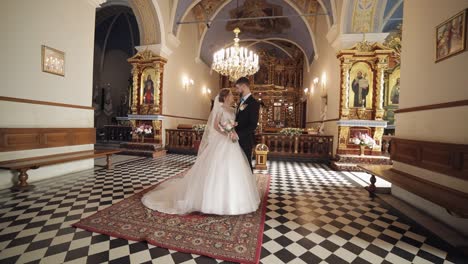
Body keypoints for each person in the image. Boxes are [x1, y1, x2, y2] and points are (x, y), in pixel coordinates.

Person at [141, 88, 260, 215]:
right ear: (225, 97)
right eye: (230, 95)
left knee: (234, 168)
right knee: (216, 167)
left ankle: (235, 201)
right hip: (223, 140)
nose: (233, 97)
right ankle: (210, 202)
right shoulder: (219, 109)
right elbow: (215, 126)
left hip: (232, 143)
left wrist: (232, 128)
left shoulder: (232, 109)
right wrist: (226, 133)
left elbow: (234, 123)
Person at [234, 77, 261, 172]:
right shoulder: (241, 101)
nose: (237, 90)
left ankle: (249, 185)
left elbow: (253, 125)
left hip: (245, 140)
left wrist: (238, 134)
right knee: (237, 164)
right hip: (236, 139)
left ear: (244, 86)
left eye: (238, 88)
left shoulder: (254, 103)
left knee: (246, 165)